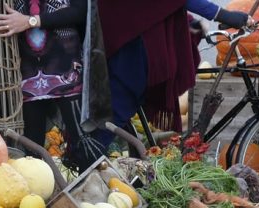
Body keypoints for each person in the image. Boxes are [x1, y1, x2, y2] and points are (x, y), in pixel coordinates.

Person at [98, 0, 250, 154]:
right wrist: (222, 15)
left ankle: (93, 158)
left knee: (115, 111)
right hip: (128, 44)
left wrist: (188, 21)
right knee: (114, 111)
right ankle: (87, 161)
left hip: (132, 35)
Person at [0, 0, 90, 168]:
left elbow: (80, 12)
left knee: (83, 142)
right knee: (31, 150)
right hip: (28, 75)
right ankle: (36, 193)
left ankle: (93, 189)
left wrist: (31, 21)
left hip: (66, 70)